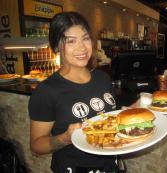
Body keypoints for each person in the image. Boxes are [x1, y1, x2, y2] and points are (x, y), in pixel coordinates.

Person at [28, 11, 119, 173]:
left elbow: (110, 121)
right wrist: (64, 139)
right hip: (74, 168)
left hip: (109, 165)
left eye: (85, 38)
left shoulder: (103, 78)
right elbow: (36, 145)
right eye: (71, 41)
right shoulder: (46, 91)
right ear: (57, 46)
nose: (82, 47)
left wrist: (130, 111)